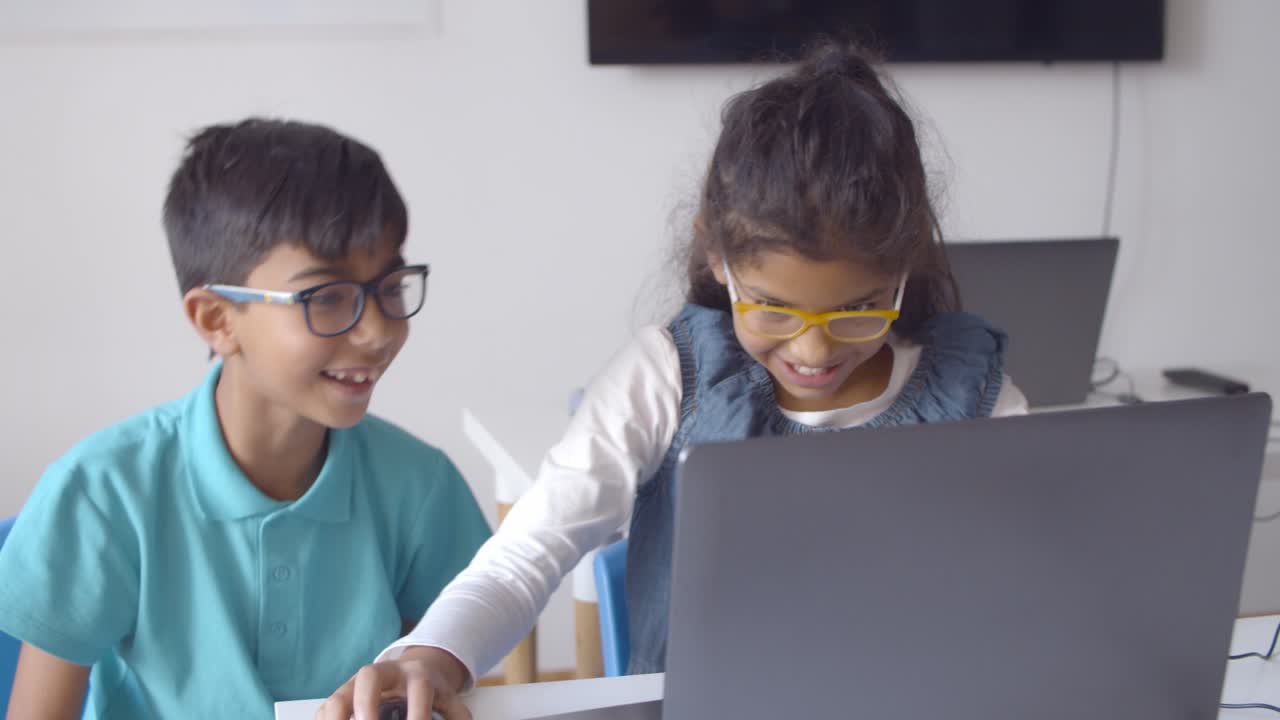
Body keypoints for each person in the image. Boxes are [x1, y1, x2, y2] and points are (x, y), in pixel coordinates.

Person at [319, 41, 1027, 720]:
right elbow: (529, 551)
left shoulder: (975, 396)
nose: (813, 348)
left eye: (858, 310)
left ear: (907, 266)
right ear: (717, 255)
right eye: (773, 307)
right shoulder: (671, 377)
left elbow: (1042, 579)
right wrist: (432, 655)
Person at [0, 118, 490, 719]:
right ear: (215, 319)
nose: (376, 330)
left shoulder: (421, 489)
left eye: (389, 285)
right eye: (327, 296)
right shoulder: (101, 494)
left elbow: (444, 690)